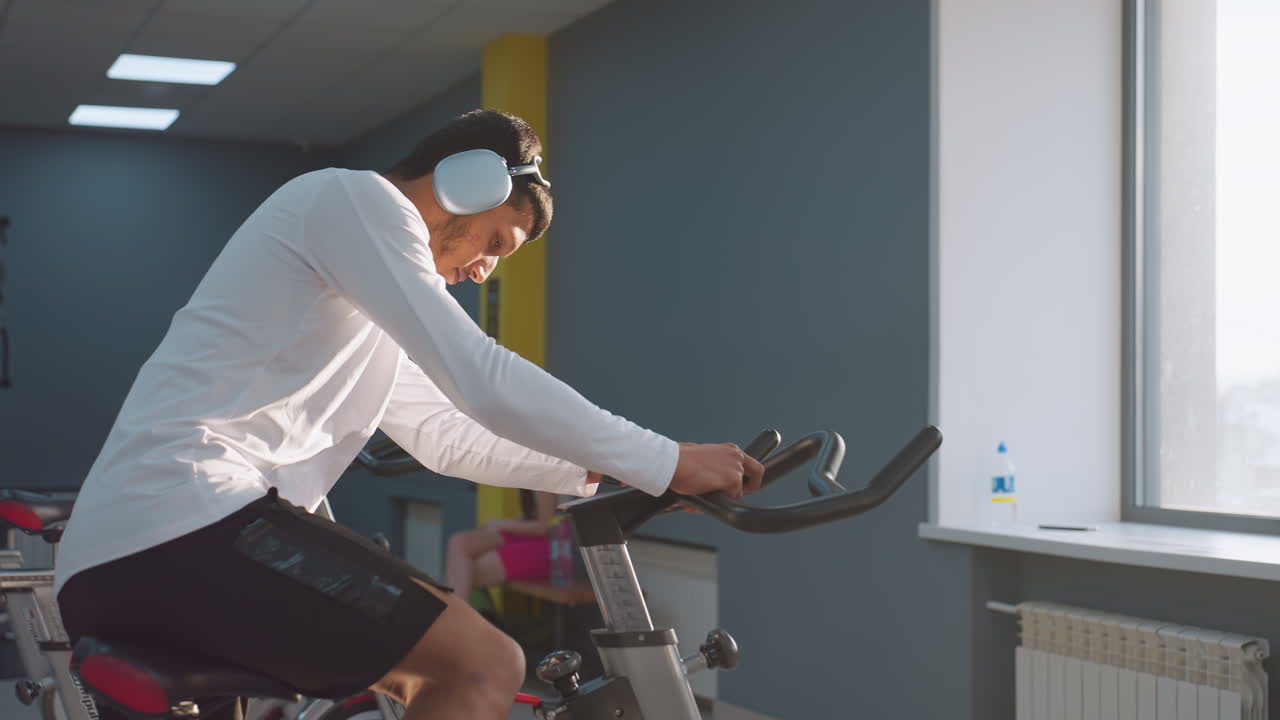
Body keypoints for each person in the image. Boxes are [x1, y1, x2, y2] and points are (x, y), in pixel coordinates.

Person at [54, 109, 764, 720]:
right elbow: (480, 377)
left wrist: (625, 473)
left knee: (453, 665)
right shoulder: (352, 198)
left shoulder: (364, 288)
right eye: (494, 243)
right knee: (482, 664)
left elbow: (445, 435)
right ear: (469, 182)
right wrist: (665, 458)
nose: (484, 271)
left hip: (128, 556)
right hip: (187, 523)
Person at [445, 489, 562, 603]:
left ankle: (456, 617)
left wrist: (502, 524)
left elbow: (544, 527)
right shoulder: (521, 473)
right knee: (458, 541)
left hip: (550, 548)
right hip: (529, 536)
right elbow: (531, 516)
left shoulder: (542, 475)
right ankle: (454, 614)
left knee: (469, 570)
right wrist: (504, 523)